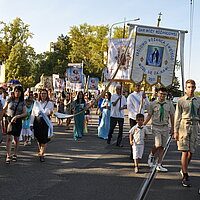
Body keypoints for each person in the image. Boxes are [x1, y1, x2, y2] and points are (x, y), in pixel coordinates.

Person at [174, 79, 200, 187]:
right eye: (189, 87)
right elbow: (177, 116)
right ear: (185, 88)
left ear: (195, 88)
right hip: (184, 126)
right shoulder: (181, 101)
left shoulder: (198, 100)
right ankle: (185, 175)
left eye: (192, 87)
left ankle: (184, 168)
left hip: (194, 126)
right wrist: (175, 131)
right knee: (184, 151)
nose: (191, 89)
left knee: (191, 152)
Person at [143, 87, 175, 172]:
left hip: (165, 127)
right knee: (158, 144)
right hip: (156, 126)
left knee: (162, 147)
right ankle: (151, 155)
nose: (162, 96)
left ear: (166, 95)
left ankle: (159, 164)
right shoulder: (153, 104)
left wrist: (173, 127)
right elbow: (149, 115)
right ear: (158, 94)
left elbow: (172, 116)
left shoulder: (169, 104)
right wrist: (143, 125)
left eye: (164, 94)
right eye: (161, 94)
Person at [3, 86, 26, 164]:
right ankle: (8, 155)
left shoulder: (22, 101)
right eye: (16, 91)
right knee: (9, 137)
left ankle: (15, 154)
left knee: (16, 138)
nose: (17, 93)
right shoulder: (9, 99)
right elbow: (4, 109)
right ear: (13, 92)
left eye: (19, 91)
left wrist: (17, 116)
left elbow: (25, 112)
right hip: (9, 120)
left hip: (17, 120)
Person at [30, 89, 54, 162]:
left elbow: (52, 112)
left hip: (45, 122)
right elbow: (33, 113)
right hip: (37, 121)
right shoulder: (36, 103)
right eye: (42, 93)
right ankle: (40, 150)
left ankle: (42, 154)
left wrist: (50, 112)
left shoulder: (50, 103)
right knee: (38, 138)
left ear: (47, 95)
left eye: (45, 93)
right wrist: (31, 123)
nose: (43, 95)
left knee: (44, 138)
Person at [127, 83, 150, 159]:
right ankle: (132, 153)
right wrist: (136, 115)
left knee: (140, 135)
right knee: (133, 134)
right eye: (136, 86)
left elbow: (148, 105)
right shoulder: (131, 96)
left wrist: (145, 97)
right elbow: (129, 107)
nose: (138, 87)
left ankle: (139, 153)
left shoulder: (142, 95)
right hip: (133, 118)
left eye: (139, 86)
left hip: (141, 118)